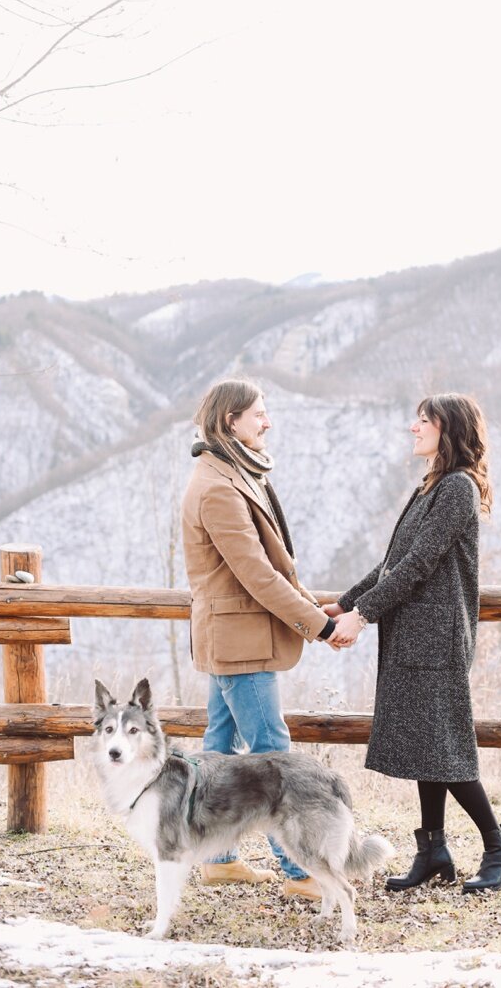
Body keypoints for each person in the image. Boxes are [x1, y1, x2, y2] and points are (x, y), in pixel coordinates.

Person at [327, 393, 501, 894]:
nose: (413, 427)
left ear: (448, 429)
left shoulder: (456, 488)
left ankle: (500, 847)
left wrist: (363, 615)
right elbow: (393, 561)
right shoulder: (431, 485)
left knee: (446, 749)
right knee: (426, 747)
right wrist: (346, 603)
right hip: (413, 637)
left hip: (436, 641)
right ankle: (432, 850)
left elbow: (418, 566)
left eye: (423, 421)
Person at [182, 378, 336, 901]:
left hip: (233, 637)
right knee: (274, 755)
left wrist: (316, 608)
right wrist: (320, 626)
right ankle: (299, 872)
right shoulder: (220, 487)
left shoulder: (228, 472)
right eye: (258, 415)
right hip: (240, 641)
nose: (267, 422)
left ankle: (217, 859)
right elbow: (258, 575)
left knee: (219, 751)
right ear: (231, 420)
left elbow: (272, 568)